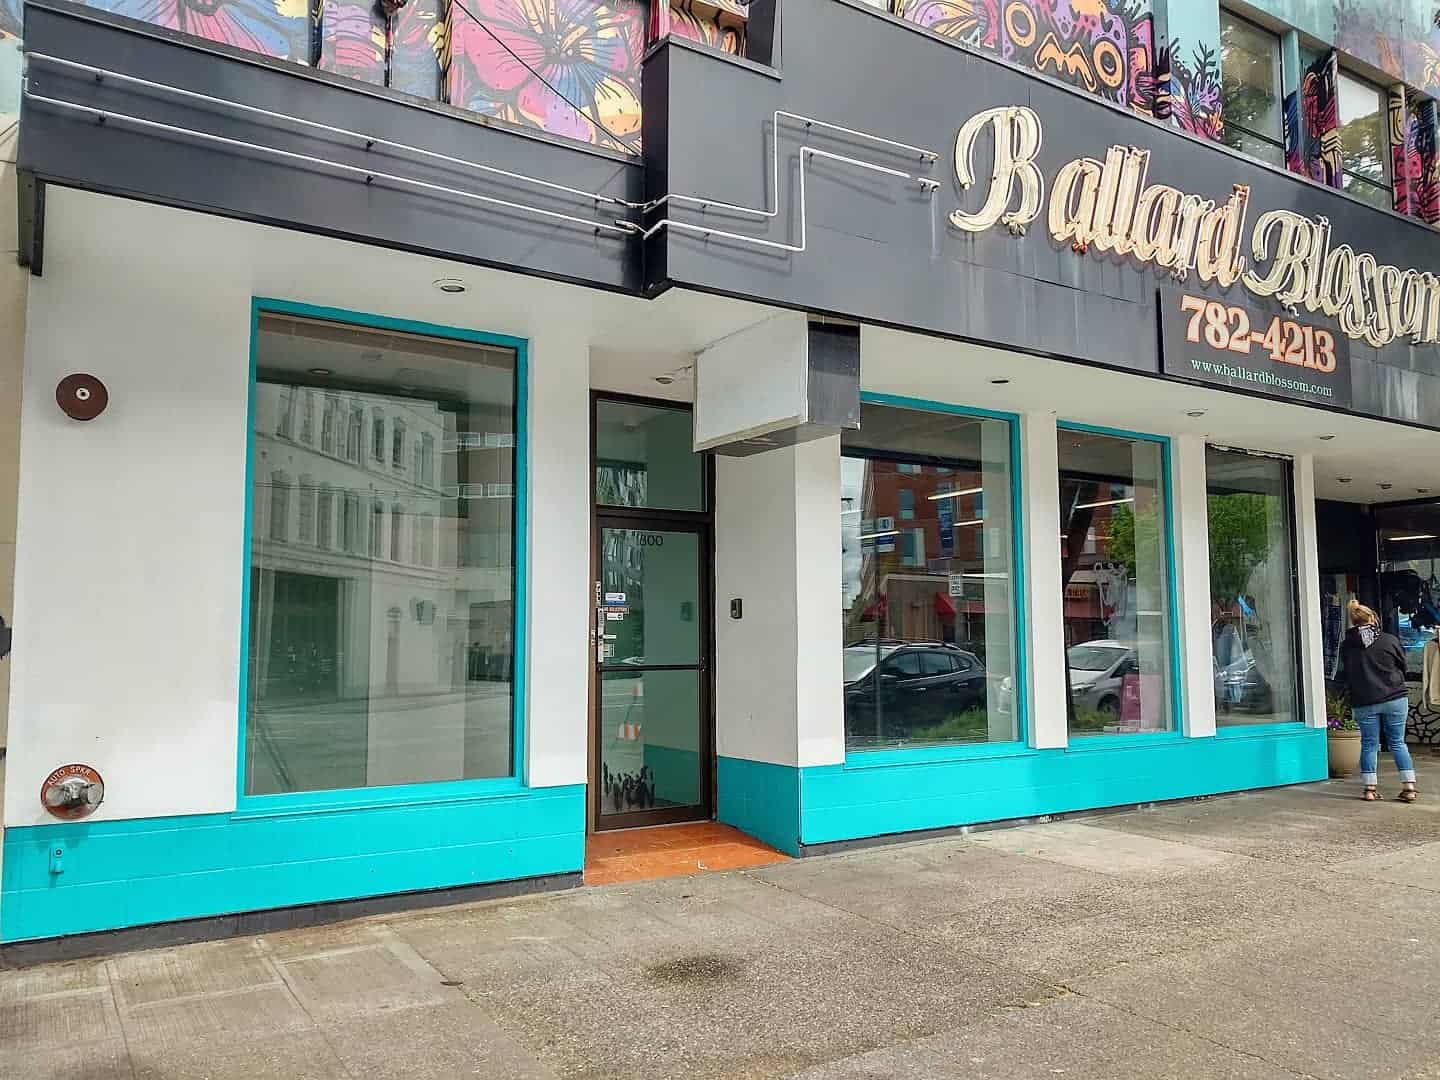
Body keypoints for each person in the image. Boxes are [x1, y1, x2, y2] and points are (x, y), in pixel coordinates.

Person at [1339, 600, 1418, 802]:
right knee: (1397, 742)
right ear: (1373, 618)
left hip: (1364, 700)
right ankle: (1409, 787)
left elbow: (1345, 673)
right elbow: (1403, 665)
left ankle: (1369, 789)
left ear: (1353, 621)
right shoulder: (1389, 640)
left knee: (1369, 744)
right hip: (1394, 697)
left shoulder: (1347, 645)